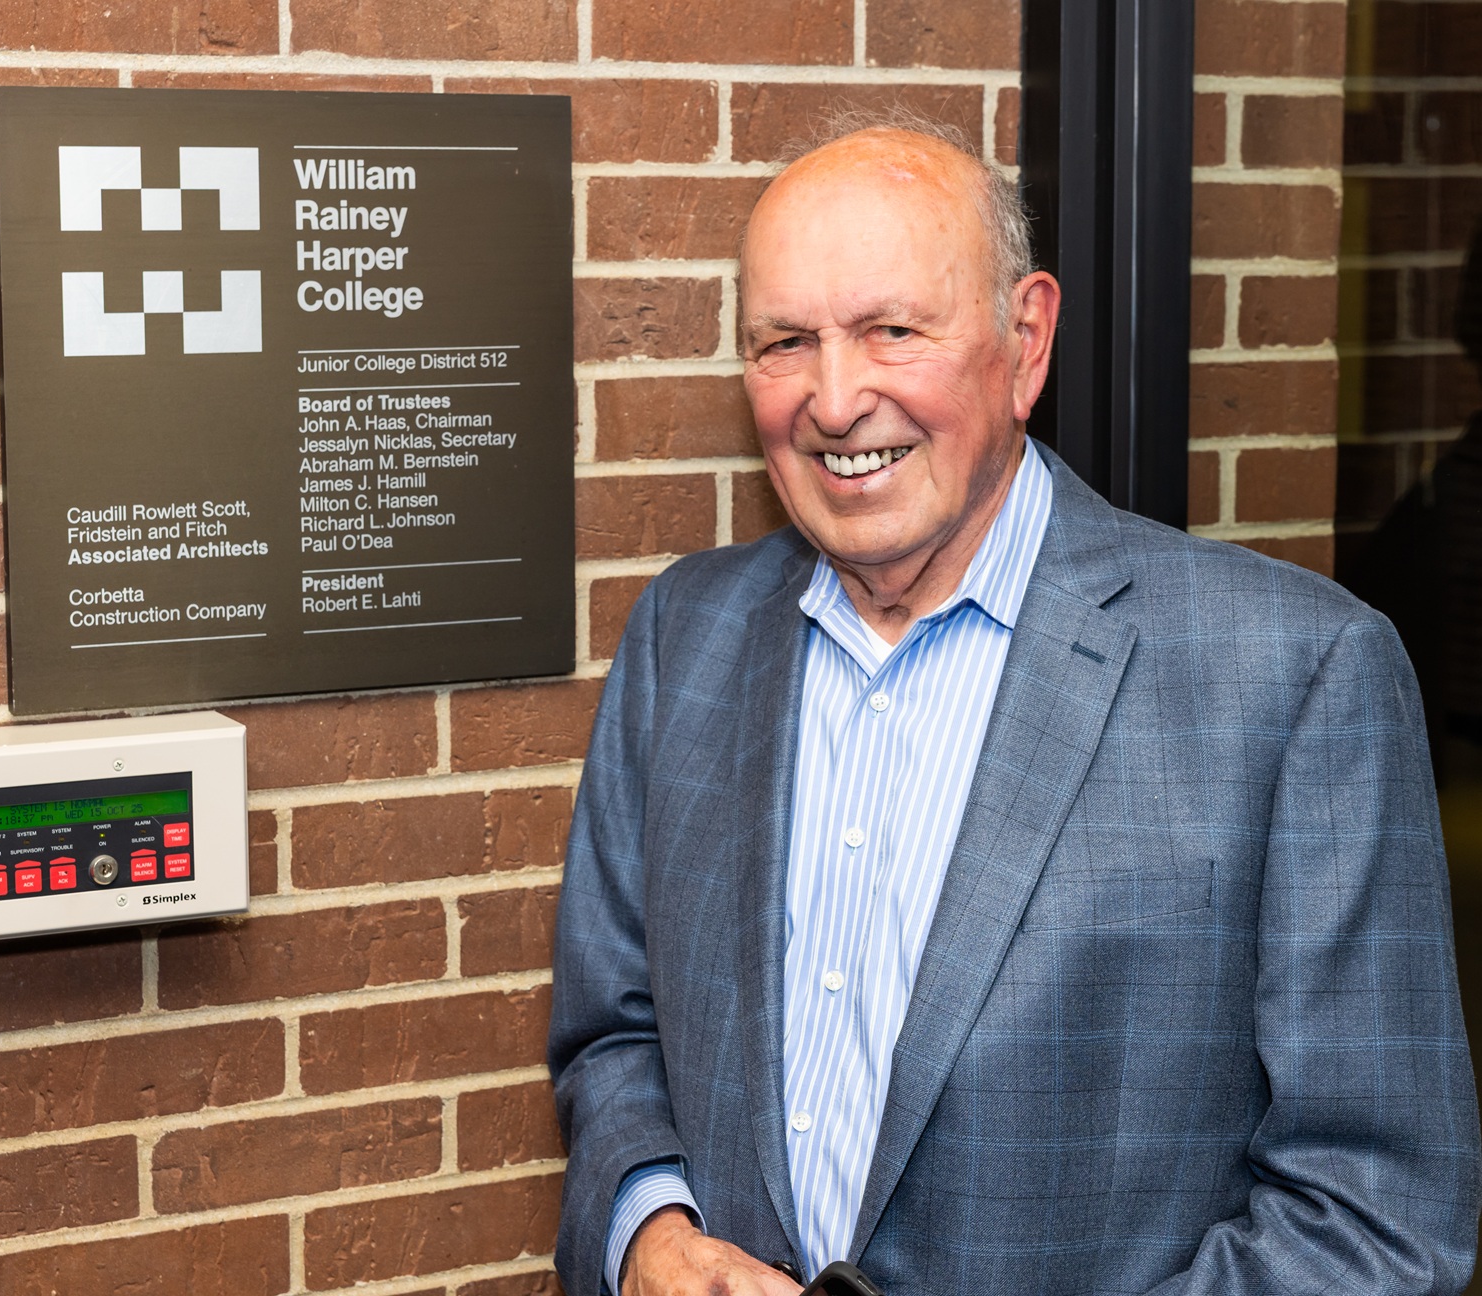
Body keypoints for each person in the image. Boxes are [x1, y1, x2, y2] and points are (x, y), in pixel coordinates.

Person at [547, 114, 1482, 1296]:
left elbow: (1376, 1217)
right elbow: (612, 1032)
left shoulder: (1294, 679)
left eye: (893, 330)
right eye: (785, 342)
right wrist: (650, 1237)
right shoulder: (686, 634)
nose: (835, 401)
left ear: (1026, 339)